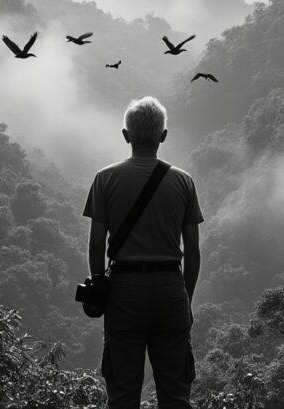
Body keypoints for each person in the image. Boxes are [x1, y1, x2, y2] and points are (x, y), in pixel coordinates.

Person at [83, 96, 203, 409]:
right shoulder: (183, 181)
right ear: (163, 136)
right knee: (176, 395)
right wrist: (185, 298)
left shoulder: (105, 178)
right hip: (170, 290)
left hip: (125, 292)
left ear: (126, 135)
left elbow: (96, 244)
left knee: (122, 395)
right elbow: (193, 252)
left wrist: (100, 287)